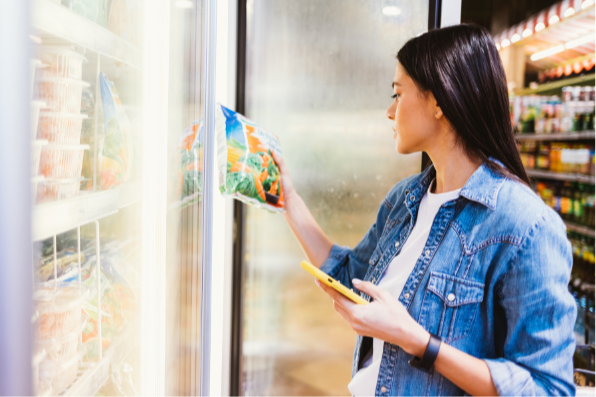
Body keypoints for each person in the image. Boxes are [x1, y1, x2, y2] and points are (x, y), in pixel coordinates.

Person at [272, 24, 577, 396]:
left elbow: (548, 388)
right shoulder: (405, 199)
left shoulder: (525, 226)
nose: (389, 111)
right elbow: (350, 279)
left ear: (438, 102)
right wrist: (286, 200)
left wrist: (419, 342)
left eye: (397, 94)